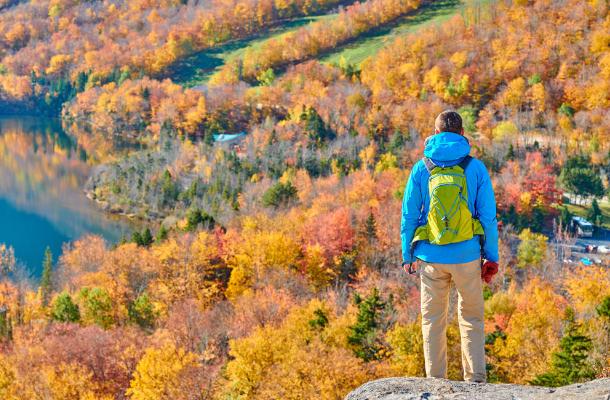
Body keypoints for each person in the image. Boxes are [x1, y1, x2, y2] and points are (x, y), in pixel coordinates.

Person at [400, 110, 499, 383]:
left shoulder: (422, 168)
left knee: (432, 321)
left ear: (435, 133)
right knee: (471, 319)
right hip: (467, 255)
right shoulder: (475, 167)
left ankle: (436, 381)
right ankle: (476, 381)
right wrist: (491, 256)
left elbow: (409, 213)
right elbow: (488, 217)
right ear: (463, 134)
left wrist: (407, 253)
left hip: (431, 257)